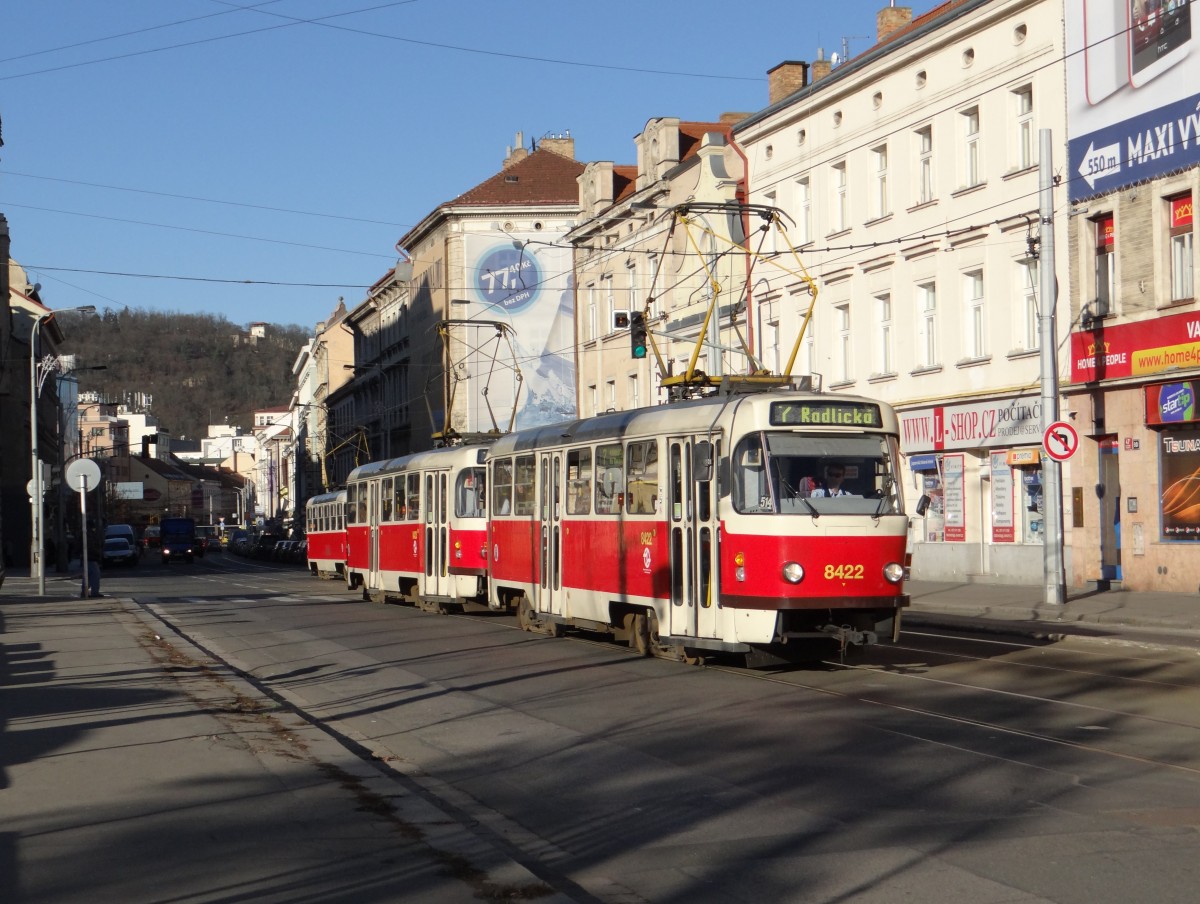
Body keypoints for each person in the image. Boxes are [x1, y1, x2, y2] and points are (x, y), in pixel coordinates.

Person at [80, 526, 103, 598]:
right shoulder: (89, 535)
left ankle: (84, 591)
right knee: (95, 575)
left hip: (88, 557)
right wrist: (97, 553)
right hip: (91, 557)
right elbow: (92, 546)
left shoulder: (85, 534)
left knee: (88, 575)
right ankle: (94, 592)